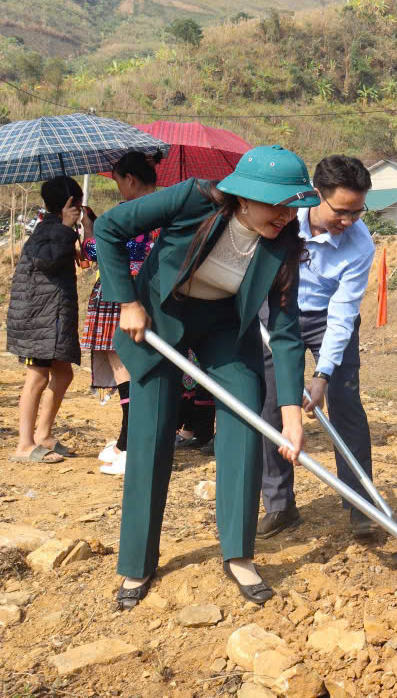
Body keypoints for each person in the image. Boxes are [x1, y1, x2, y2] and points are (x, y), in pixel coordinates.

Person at [97, 145, 314, 610]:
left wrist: (291, 414)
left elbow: (286, 330)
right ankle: (138, 563)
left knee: (244, 416)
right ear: (244, 198)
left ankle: (238, 553)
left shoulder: (283, 241)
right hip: (158, 318)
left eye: (292, 205)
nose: (285, 214)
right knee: (151, 432)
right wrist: (129, 302)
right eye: (276, 204)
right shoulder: (193, 199)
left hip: (222, 327)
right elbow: (108, 228)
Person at [257, 155, 377, 541]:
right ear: (316, 196)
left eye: (357, 212)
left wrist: (322, 374)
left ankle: (361, 505)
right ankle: (279, 506)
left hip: (328, 318)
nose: (348, 222)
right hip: (277, 314)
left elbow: (343, 313)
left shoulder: (360, 243)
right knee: (271, 407)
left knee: (346, 407)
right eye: (341, 212)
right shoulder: (283, 219)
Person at [82, 151, 161, 475]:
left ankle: (131, 445)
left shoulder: (130, 213)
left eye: (118, 182)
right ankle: (125, 442)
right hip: (155, 293)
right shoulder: (169, 208)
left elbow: (103, 250)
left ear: (129, 180)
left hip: (124, 297)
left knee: (125, 367)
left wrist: (89, 231)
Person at [6, 177, 89, 464]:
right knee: (38, 377)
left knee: (64, 374)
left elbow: (75, 260)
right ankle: (24, 445)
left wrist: (81, 231)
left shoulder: (56, 229)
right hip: (38, 318)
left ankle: (43, 435)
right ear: (69, 204)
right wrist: (67, 228)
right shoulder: (47, 230)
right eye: (77, 204)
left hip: (53, 316)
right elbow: (47, 261)